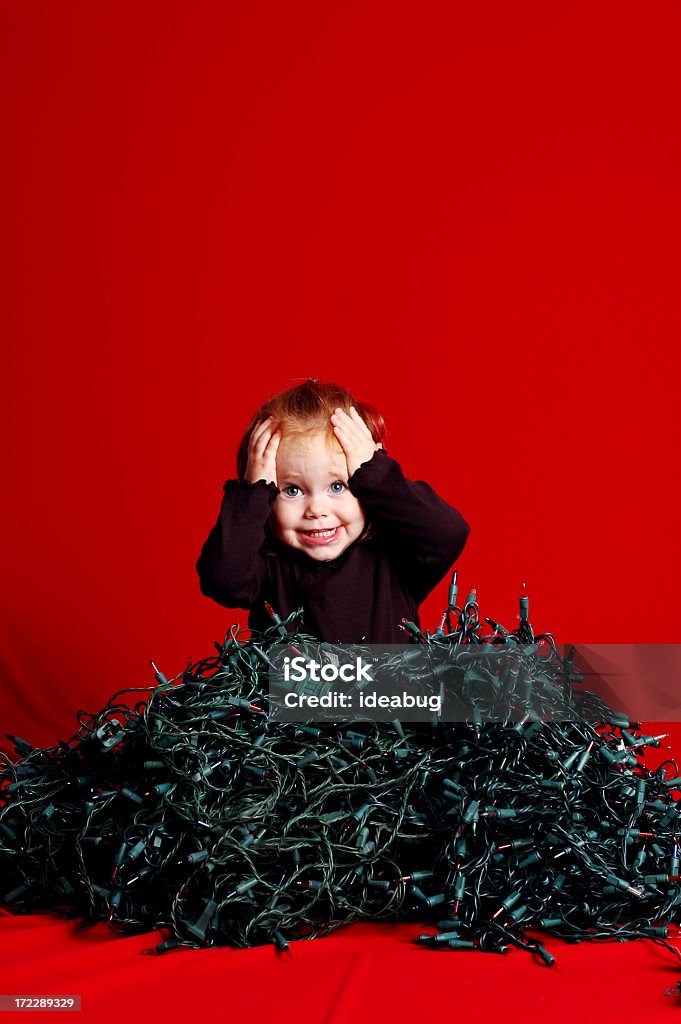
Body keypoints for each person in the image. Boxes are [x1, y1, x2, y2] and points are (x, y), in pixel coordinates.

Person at [196, 378, 470, 643]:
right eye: (292, 490)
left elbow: (448, 532)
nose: (316, 509)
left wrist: (375, 472)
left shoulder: (394, 559)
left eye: (338, 486)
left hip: (386, 692)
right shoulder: (268, 569)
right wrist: (252, 492)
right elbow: (223, 581)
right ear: (267, 499)